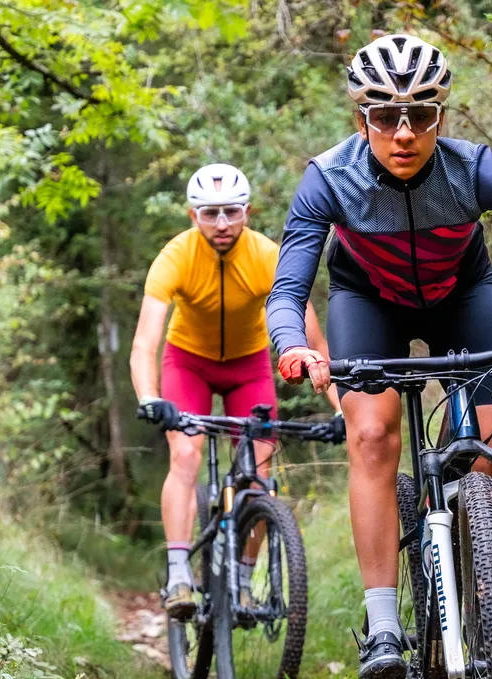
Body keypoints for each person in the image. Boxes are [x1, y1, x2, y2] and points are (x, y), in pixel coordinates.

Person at [267, 33, 492, 679]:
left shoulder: (477, 170)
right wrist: (292, 345)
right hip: (367, 302)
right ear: (362, 120)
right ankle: (382, 624)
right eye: (384, 117)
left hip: (462, 297)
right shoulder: (328, 178)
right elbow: (290, 288)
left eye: (420, 115)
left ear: (440, 117)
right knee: (373, 433)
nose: (402, 133)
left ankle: (483, 580)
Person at [130, 164, 337, 619]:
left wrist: (342, 407)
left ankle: (243, 579)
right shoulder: (175, 257)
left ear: (247, 211)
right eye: (210, 214)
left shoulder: (267, 255)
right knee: (185, 455)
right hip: (188, 363)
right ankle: (180, 573)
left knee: (260, 474)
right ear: (192, 215)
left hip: (248, 367)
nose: (221, 224)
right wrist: (149, 397)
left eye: (231, 212)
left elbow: (313, 341)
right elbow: (145, 341)